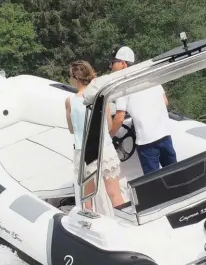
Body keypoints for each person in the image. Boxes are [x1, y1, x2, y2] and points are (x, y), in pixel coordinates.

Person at [65, 60, 124, 210]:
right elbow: (109, 125)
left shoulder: (70, 101)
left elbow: (72, 129)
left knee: (87, 199)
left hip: (84, 153)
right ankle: (127, 221)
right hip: (105, 149)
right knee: (115, 194)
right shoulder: (101, 97)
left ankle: (89, 226)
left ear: (75, 77)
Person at [109, 46, 177, 175]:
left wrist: (109, 136)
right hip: (165, 135)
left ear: (122, 64)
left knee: (153, 182)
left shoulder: (122, 86)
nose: (111, 66)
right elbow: (165, 101)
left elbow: (119, 118)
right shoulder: (150, 76)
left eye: (113, 63)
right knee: (174, 175)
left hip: (147, 142)